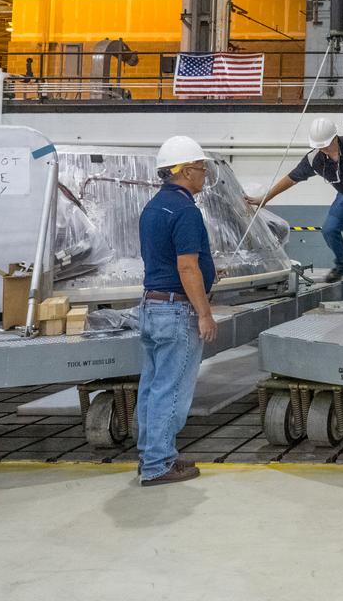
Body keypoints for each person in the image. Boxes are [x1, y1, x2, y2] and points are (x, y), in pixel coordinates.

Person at [135, 135, 218, 486]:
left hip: (151, 307)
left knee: (152, 386)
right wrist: (204, 313)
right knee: (172, 389)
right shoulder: (186, 211)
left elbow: (168, 260)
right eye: (200, 168)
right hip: (176, 311)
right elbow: (186, 268)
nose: (203, 175)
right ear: (184, 171)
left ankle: (152, 455)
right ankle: (158, 465)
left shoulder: (153, 207)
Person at [245, 118, 343, 281]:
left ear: (335, 137)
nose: (323, 149)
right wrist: (265, 198)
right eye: (319, 146)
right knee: (329, 229)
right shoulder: (314, 159)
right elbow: (291, 178)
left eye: (326, 145)